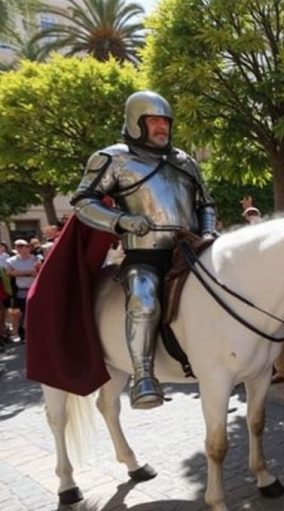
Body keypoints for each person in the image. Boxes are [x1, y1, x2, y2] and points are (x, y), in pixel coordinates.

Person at [68, 90, 218, 409]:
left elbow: (205, 204)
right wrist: (121, 219)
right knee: (144, 301)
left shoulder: (185, 162)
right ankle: (143, 377)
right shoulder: (114, 158)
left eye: (165, 121)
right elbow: (83, 202)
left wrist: (206, 232)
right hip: (145, 254)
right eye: (153, 120)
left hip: (191, 250)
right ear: (136, 123)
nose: (162, 127)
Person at [4, 239, 42, 343]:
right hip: (22, 290)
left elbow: (38, 270)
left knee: (37, 312)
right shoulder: (11, 261)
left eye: (22, 246)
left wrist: (19, 272)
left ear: (28, 247)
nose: (20, 248)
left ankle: (38, 334)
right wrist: (29, 273)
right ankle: (25, 335)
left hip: (36, 289)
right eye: (17, 246)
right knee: (24, 313)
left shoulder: (36, 259)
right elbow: (9, 273)